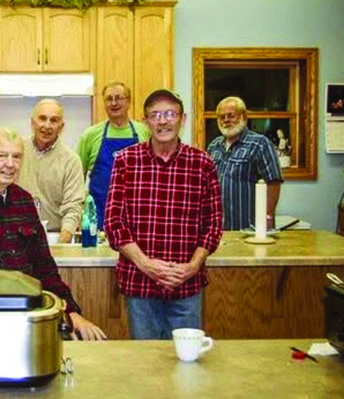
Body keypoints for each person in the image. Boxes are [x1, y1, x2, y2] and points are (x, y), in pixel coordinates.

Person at [0, 127, 106, 340]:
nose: (10, 164)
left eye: (16, 157)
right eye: (2, 156)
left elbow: (45, 267)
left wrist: (71, 312)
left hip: (29, 316)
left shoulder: (24, 201)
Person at [104, 89, 222, 340]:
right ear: (145, 121)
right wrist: (146, 265)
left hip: (187, 284)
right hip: (139, 285)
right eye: (155, 115)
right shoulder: (126, 161)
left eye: (170, 114)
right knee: (146, 366)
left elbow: (213, 225)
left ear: (183, 119)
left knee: (187, 362)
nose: (163, 120)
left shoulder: (202, 163)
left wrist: (192, 266)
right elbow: (114, 223)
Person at [77, 81, 149, 229]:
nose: (114, 103)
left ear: (128, 101)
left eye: (119, 98)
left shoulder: (145, 132)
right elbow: (77, 178)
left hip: (138, 217)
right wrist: (78, 215)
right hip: (98, 219)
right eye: (109, 99)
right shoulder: (90, 135)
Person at [207, 96, 283, 231]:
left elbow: (274, 181)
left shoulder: (259, 144)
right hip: (219, 228)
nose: (226, 120)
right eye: (221, 117)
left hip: (250, 227)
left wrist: (268, 216)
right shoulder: (214, 146)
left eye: (231, 116)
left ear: (244, 117)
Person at [17, 99, 84, 244]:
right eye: (42, 119)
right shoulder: (17, 151)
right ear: (32, 122)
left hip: (54, 237)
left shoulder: (71, 161)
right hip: (16, 235)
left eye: (54, 120)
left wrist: (61, 245)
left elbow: (73, 208)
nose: (47, 125)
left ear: (61, 127)